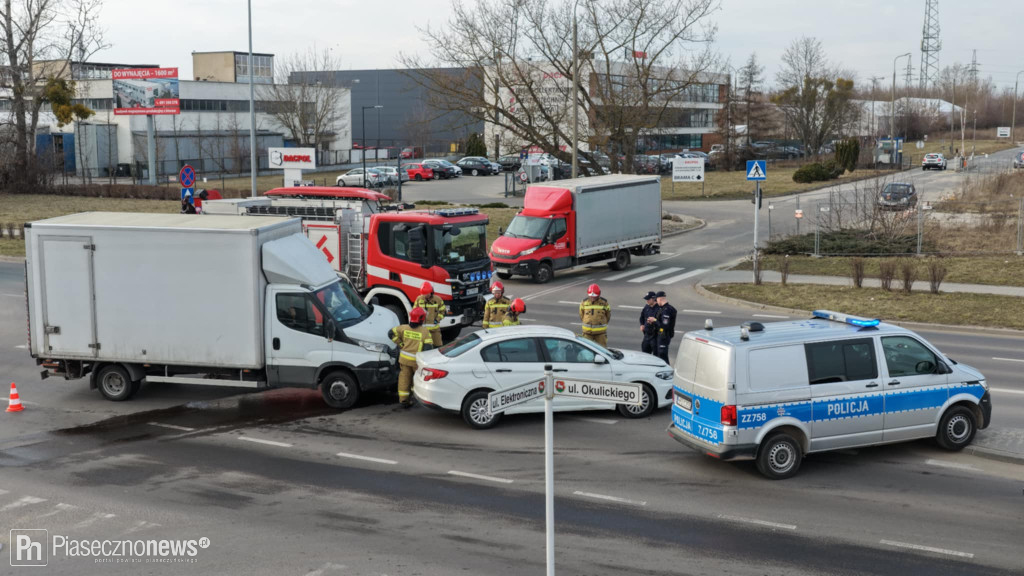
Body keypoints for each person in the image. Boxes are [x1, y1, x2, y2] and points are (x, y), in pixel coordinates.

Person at [388, 307, 434, 408]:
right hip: (416, 362)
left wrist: (400, 344)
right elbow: (428, 349)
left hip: (404, 360)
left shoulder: (403, 328)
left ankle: (403, 400)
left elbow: (390, 333)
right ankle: (415, 397)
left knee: (404, 378)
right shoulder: (425, 332)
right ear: (421, 319)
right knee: (416, 379)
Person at [413, 282, 446, 347]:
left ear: (431, 292)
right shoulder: (419, 299)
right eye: (423, 294)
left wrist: (437, 319)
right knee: (423, 347)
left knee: (438, 346)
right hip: (422, 330)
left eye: (426, 294)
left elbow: (443, 311)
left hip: (434, 329)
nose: (425, 296)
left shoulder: (437, 300)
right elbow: (414, 312)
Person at [654, 291, 677, 364]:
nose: (656, 302)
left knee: (662, 356)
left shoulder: (666, 310)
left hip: (664, 336)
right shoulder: (665, 308)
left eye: (656, 300)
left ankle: (667, 370)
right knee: (660, 356)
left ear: (660, 299)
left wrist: (654, 320)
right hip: (662, 335)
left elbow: (664, 326)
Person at [640, 291, 660, 356]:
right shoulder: (646, 307)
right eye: (646, 299)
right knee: (644, 354)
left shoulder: (659, 309)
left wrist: (654, 321)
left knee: (656, 356)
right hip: (647, 335)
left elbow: (661, 323)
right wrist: (642, 325)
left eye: (648, 299)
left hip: (655, 336)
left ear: (653, 299)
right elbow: (642, 317)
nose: (647, 301)